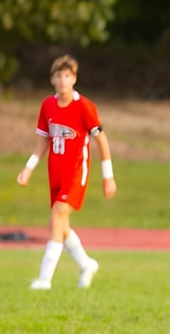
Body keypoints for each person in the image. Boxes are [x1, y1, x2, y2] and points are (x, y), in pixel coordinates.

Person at [17, 54, 117, 290]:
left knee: (57, 216)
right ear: (52, 79)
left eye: (68, 76)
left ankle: (44, 279)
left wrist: (108, 176)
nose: (63, 80)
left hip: (76, 173)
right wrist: (28, 168)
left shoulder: (84, 107)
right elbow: (43, 142)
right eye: (59, 76)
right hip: (56, 173)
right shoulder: (47, 106)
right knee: (61, 226)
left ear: (75, 79)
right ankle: (86, 264)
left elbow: (102, 141)